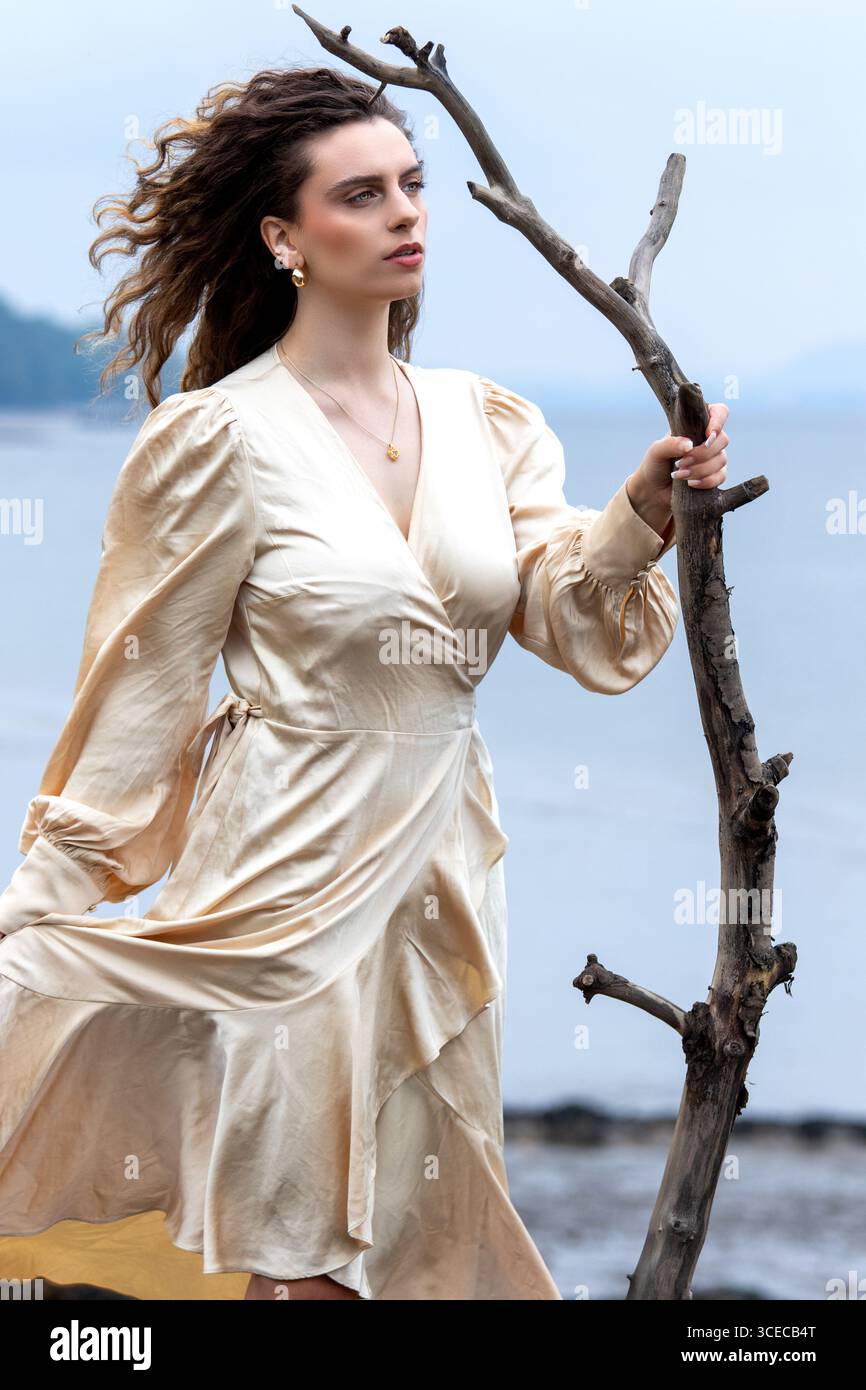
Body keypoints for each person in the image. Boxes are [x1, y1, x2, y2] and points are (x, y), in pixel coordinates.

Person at [0, 66, 730, 1302]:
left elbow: (559, 613)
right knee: (297, 1251)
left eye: (411, 185)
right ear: (284, 237)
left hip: (441, 870)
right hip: (278, 876)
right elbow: (135, 707)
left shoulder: (485, 419)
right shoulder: (216, 441)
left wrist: (637, 516)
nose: (404, 215)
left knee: (405, 1241)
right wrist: (35, 916)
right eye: (360, 194)